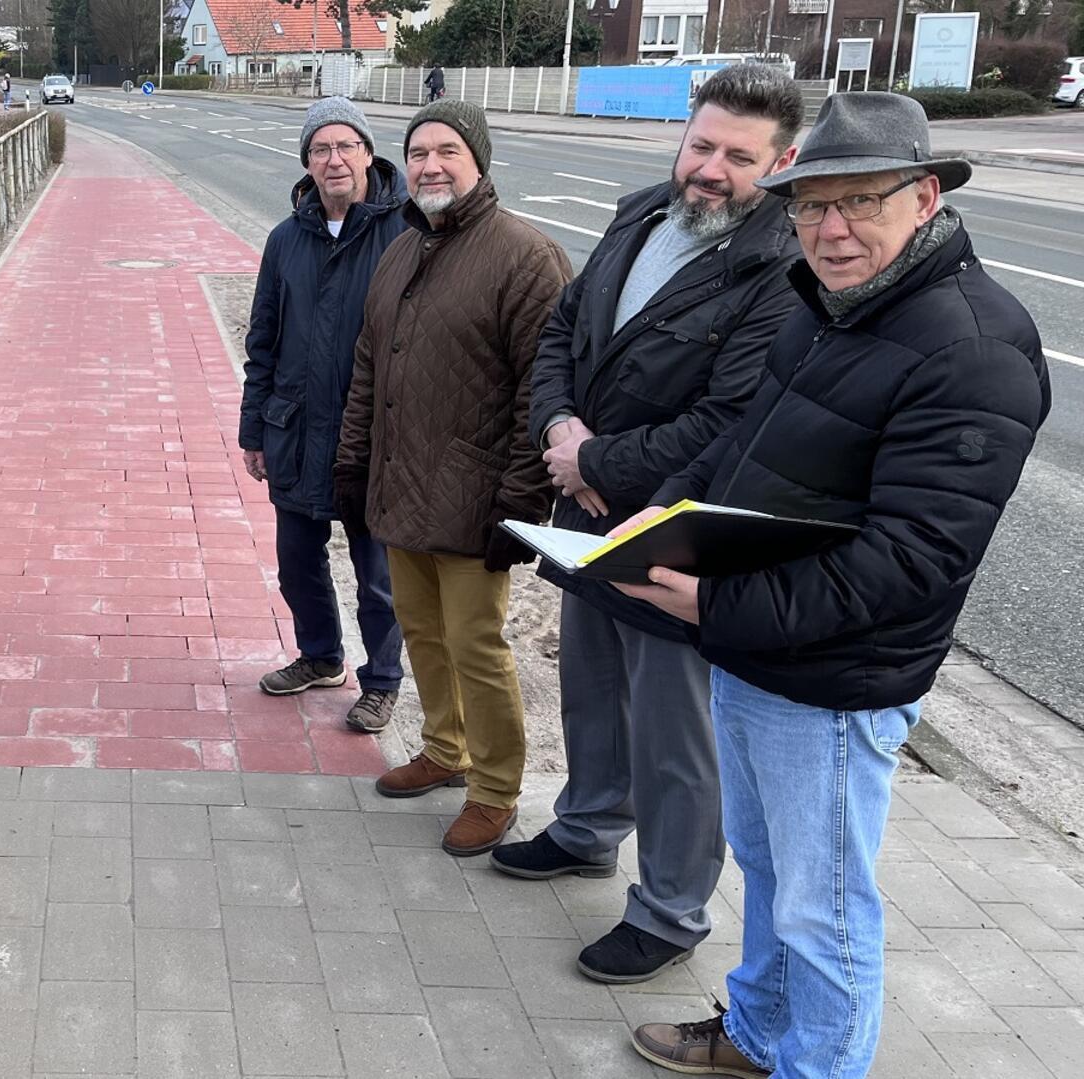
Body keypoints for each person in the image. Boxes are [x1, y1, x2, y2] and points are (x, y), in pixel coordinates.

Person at [619, 92, 1050, 1078]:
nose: (831, 229)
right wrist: (669, 507)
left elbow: (912, 559)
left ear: (926, 195)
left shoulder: (974, 346)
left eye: (859, 202)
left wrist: (720, 604)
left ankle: (819, 1064)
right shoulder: (831, 304)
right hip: (757, 651)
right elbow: (743, 437)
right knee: (772, 876)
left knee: (827, 909)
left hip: (835, 684)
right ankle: (759, 1035)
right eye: (811, 206)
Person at [490, 63, 805, 985]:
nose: (710, 169)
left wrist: (594, 464)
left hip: (671, 526)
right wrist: (559, 429)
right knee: (589, 685)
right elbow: (562, 333)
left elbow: (731, 416)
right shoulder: (639, 213)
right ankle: (588, 829)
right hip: (585, 503)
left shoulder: (778, 267)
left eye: (738, 158)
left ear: (781, 162)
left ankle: (670, 909)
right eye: (701, 144)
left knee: (674, 730)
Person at [333, 100, 569, 855]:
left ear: (478, 161)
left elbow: (544, 385)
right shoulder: (401, 251)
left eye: (447, 151)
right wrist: (352, 462)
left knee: (477, 643)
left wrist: (522, 499)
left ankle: (495, 789)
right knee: (424, 634)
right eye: (420, 151)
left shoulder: (524, 257)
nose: (431, 164)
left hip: (476, 494)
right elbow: (369, 367)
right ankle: (444, 746)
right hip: (400, 484)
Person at [240, 97, 408, 733]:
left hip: (374, 437)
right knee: (297, 561)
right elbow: (263, 339)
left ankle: (382, 682)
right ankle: (320, 655)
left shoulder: (404, 233)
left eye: (345, 146)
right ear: (306, 163)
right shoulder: (287, 240)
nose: (333, 160)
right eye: (320, 150)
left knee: (379, 576)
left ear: (367, 153)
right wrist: (253, 429)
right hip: (294, 431)